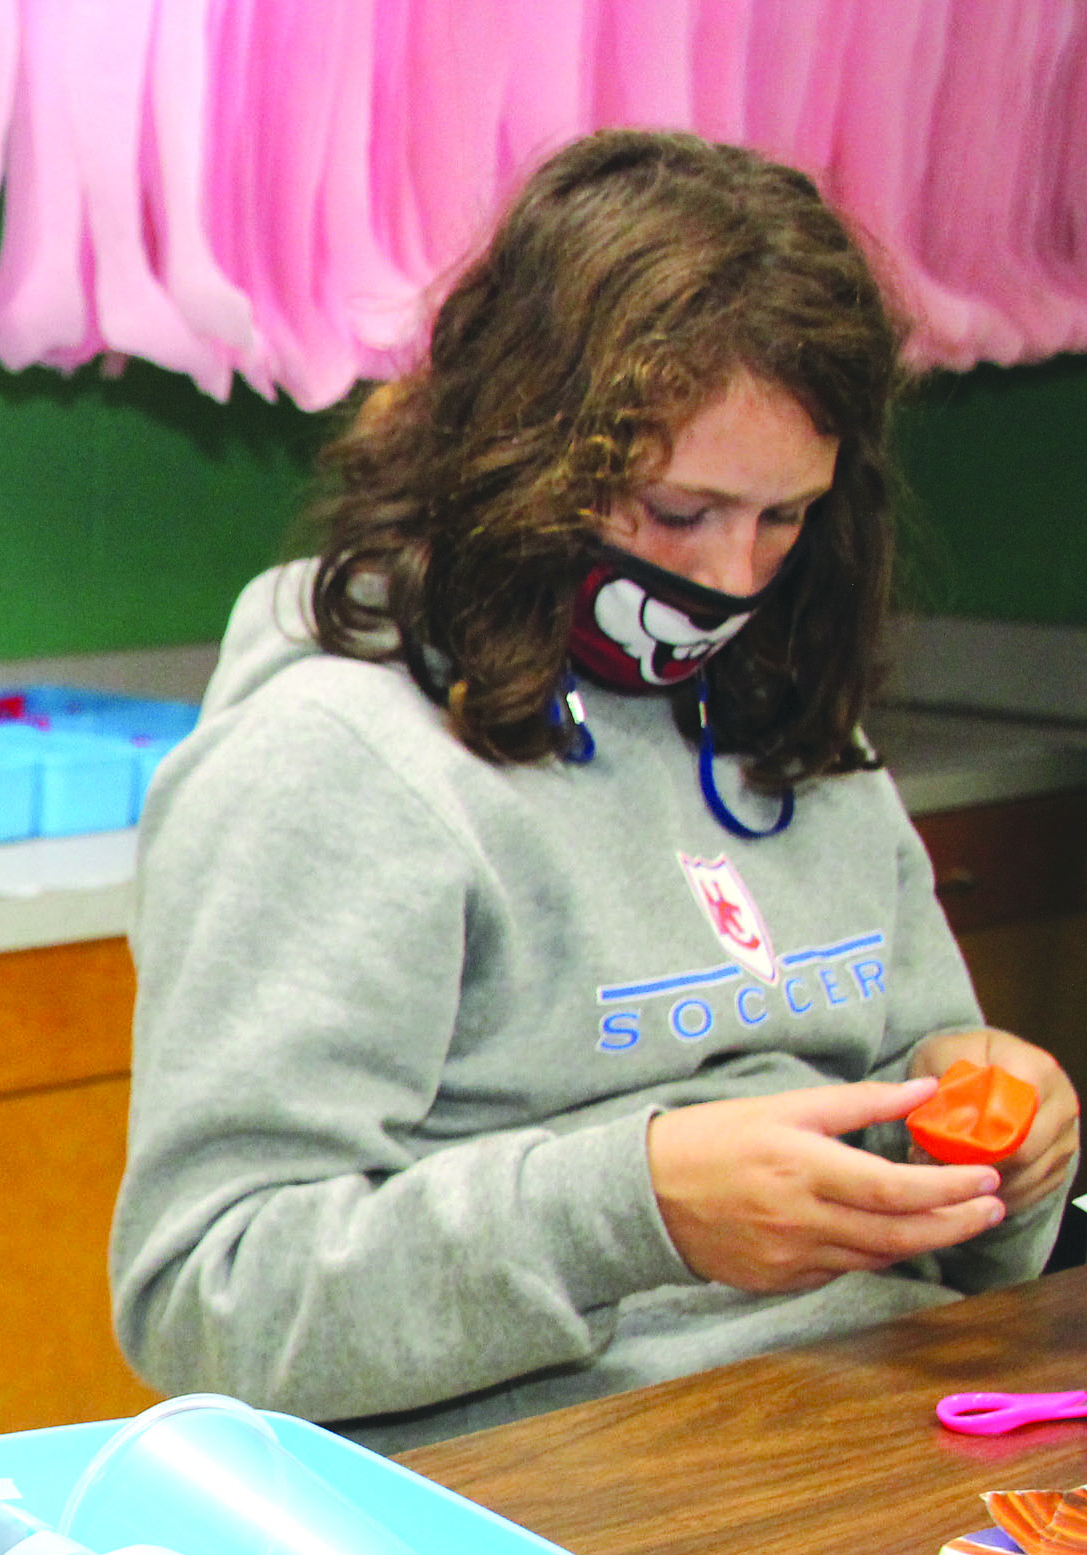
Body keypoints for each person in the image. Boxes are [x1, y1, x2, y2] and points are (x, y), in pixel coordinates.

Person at [114, 130, 1077, 1450]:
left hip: (868, 1426)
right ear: (521, 460)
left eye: (785, 519)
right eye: (679, 514)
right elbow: (208, 1301)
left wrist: (1005, 1150)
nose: (736, 581)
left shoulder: (784, 714)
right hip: (553, 1502)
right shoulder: (336, 763)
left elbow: (955, 1223)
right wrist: (639, 1209)